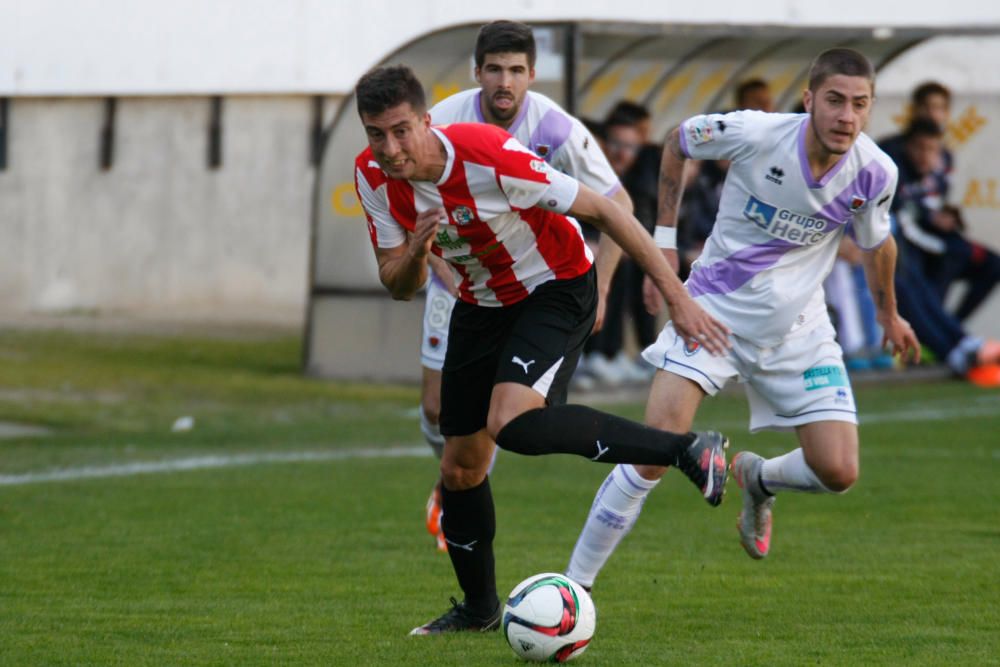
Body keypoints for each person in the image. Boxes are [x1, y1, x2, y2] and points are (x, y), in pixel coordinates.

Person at [353, 64, 731, 635]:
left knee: (512, 422)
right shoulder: (372, 178)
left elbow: (607, 211)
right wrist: (415, 250)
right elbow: (397, 282)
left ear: (427, 121)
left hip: (555, 287)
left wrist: (677, 299)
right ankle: (479, 610)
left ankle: (685, 448)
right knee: (460, 468)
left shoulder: (487, 155)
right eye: (376, 134)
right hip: (482, 304)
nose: (390, 147)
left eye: (402, 130)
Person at [565, 48, 920, 590]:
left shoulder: (875, 172)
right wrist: (664, 242)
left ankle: (759, 476)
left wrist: (890, 315)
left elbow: (879, 243)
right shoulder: (757, 133)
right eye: (834, 101)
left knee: (839, 472)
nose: (846, 116)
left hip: (799, 330)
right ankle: (574, 587)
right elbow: (677, 141)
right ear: (808, 100)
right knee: (653, 449)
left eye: (859, 104)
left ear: (869, 110)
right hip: (711, 315)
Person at [418, 21, 633, 549]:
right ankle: (457, 474)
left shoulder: (556, 129)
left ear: (532, 75)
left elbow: (618, 205)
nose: (504, 83)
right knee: (435, 409)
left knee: (509, 412)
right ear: (477, 73)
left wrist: (601, 288)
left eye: (516, 71)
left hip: (537, 284)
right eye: (494, 69)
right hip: (462, 280)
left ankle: (460, 487)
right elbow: (412, 203)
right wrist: (444, 268)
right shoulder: (441, 124)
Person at [890, 118, 1000, 322]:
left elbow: (936, 206)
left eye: (931, 149)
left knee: (992, 265)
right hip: (913, 246)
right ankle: (939, 337)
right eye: (919, 148)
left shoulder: (941, 170)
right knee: (946, 257)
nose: (925, 156)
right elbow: (906, 222)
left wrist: (945, 217)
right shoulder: (894, 172)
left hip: (936, 242)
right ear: (907, 147)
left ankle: (952, 330)